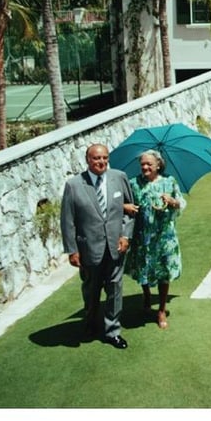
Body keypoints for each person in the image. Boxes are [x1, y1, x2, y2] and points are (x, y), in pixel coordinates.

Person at [60, 143, 135, 349]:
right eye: (96, 158)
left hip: (115, 247)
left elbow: (130, 211)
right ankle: (91, 322)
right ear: (88, 160)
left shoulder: (119, 177)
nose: (101, 162)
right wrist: (72, 250)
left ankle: (113, 332)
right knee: (91, 291)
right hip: (89, 249)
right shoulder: (74, 185)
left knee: (115, 289)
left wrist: (125, 236)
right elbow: (67, 221)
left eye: (104, 158)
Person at [124, 149, 186, 330]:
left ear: (158, 165)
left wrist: (172, 201)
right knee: (144, 268)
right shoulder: (133, 183)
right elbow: (125, 204)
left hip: (165, 236)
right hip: (143, 237)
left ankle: (161, 310)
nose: (145, 167)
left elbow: (181, 203)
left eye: (149, 164)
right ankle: (146, 295)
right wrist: (127, 207)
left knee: (164, 272)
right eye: (142, 164)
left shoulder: (169, 181)